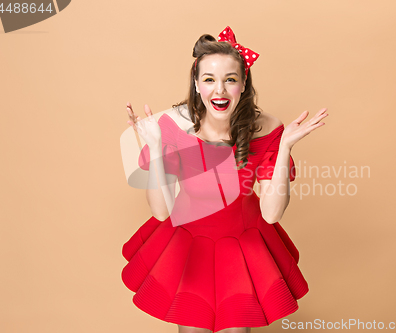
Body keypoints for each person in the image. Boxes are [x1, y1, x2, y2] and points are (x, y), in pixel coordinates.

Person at [122, 26, 329, 333]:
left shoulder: (268, 128)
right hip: (190, 245)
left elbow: (272, 213)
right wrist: (154, 149)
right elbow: (161, 212)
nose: (219, 90)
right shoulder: (173, 126)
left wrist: (284, 147)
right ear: (196, 84)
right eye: (209, 80)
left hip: (243, 244)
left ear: (243, 84)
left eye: (229, 80)